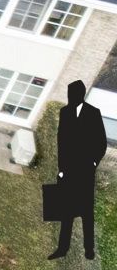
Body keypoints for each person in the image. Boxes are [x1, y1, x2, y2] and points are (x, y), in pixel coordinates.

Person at [53, 82, 107, 261]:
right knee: (66, 211)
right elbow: (62, 142)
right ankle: (62, 248)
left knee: (86, 212)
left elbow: (101, 142)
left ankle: (89, 249)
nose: (70, 96)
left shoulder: (93, 113)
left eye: (73, 93)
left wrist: (92, 162)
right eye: (69, 93)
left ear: (81, 94)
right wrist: (61, 169)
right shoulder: (64, 112)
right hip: (68, 170)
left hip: (84, 170)